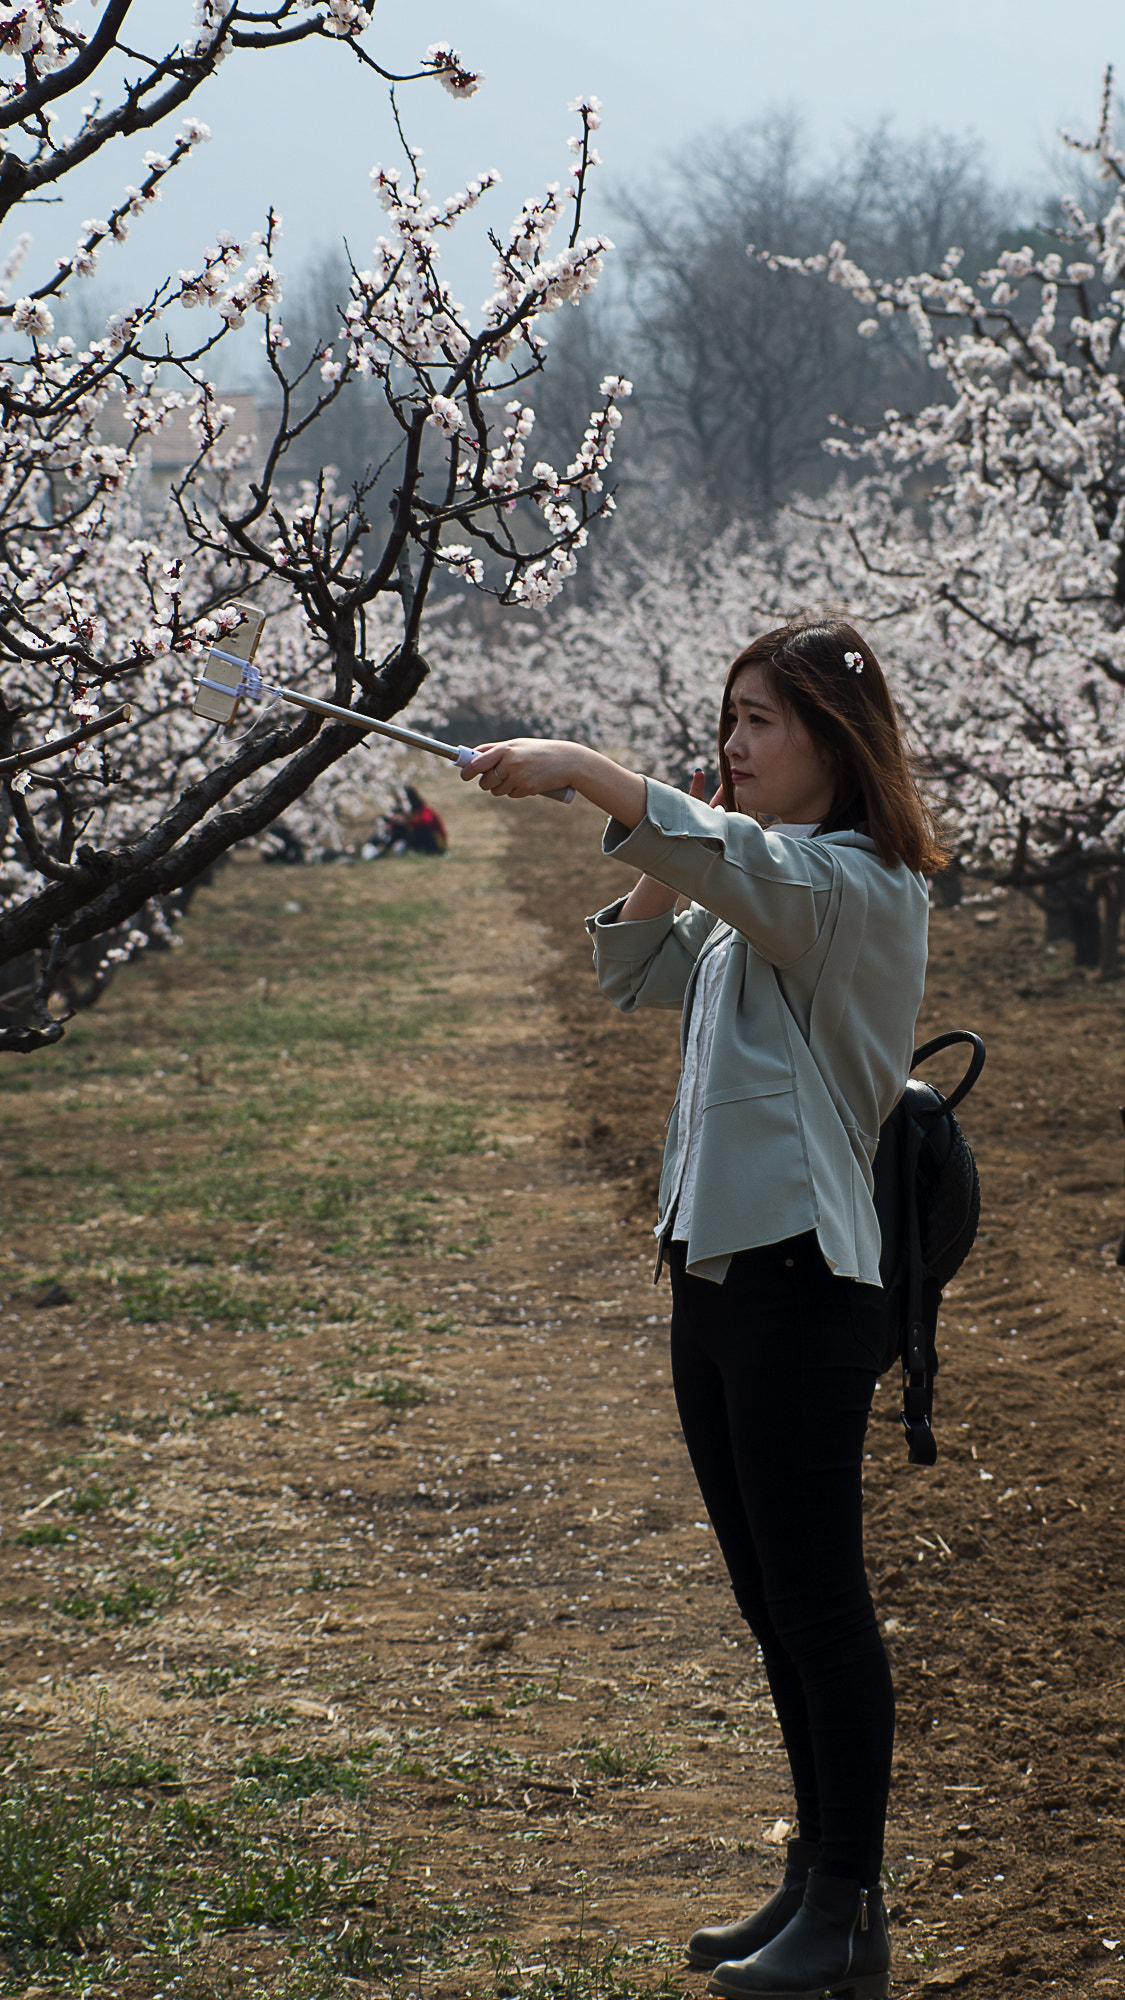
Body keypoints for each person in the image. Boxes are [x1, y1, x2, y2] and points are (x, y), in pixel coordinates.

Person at [461, 615, 944, 2000]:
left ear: (834, 745)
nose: (731, 746)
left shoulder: (855, 885)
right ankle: (810, 1886)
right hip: (719, 1267)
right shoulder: (763, 886)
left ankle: (849, 1910)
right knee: (766, 1596)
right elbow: (634, 971)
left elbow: (752, 876)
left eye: (759, 724)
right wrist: (666, 836)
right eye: (724, 722)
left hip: (800, 1277)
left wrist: (594, 775)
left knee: (819, 1600)